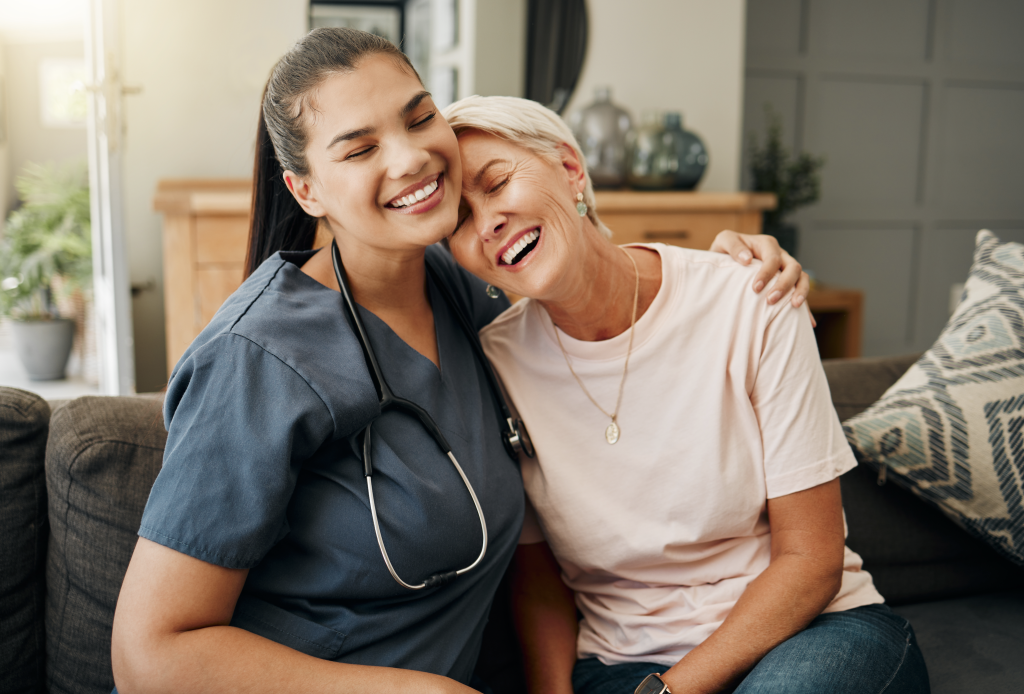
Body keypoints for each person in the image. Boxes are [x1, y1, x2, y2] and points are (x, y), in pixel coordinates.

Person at [110, 28, 805, 694]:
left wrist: (723, 269)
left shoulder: (467, 289)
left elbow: (589, 271)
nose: (409, 158)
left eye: (418, 119)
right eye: (359, 150)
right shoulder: (254, 358)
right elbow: (151, 657)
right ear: (306, 191)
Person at [443, 95, 931, 694]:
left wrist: (670, 693)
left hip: (814, 636)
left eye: (496, 184)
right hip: (621, 667)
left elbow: (813, 561)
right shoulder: (493, 365)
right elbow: (538, 578)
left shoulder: (751, 298)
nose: (486, 220)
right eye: (458, 222)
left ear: (570, 169)